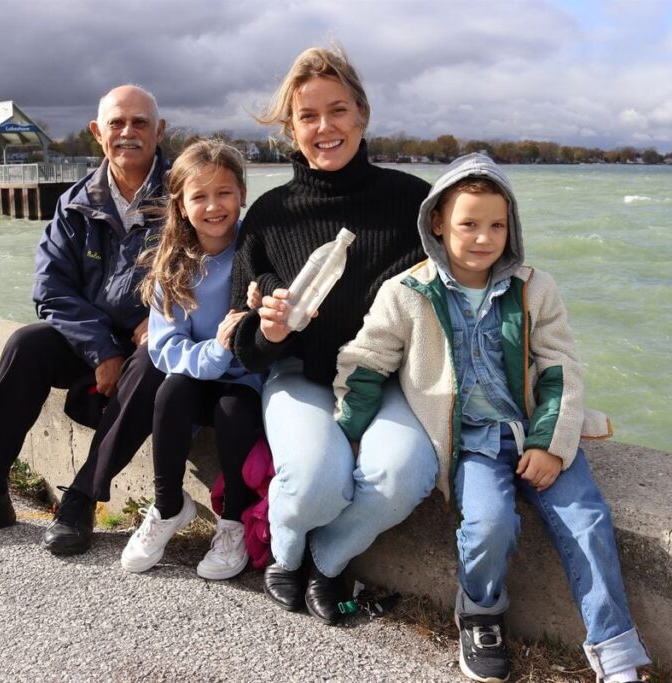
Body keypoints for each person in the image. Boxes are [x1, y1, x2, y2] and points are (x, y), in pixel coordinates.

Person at [333, 153, 651, 683]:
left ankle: (616, 652)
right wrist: (343, 434)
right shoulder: (407, 293)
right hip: (471, 444)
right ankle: (479, 615)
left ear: (512, 225)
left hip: (533, 430)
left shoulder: (534, 287)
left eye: (497, 225)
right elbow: (366, 364)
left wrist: (550, 443)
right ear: (437, 222)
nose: (484, 237)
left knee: (588, 521)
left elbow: (561, 367)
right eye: (469, 224)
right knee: (489, 526)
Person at [229, 45, 438, 626]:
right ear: (291, 129)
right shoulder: (270, 215)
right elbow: (241, 341)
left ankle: (327, 558)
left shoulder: (416, 203)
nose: (326, 127)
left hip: (388, 376)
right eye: (308, 116)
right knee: (319, 482)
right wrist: (268, 331)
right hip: (302, 374)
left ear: (362, 115)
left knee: (402, 474)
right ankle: (284, 551)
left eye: (338, 110)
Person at [0, 84, 172, 556]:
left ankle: (80, 499)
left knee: (152, 359)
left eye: (140, 122)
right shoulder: (75, 203)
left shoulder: (185, 194)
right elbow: (51, 289)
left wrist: (163, 314)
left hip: (156, 341)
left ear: (159, 130)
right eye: (117, 123)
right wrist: (102, 348)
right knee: (26, 344)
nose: (128, 132)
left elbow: (213, 261)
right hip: (95, 340)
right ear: (98, 133)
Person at [119, 139, 262, 580]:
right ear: (180, 204)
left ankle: (233, 521)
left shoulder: (256, 251)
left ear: (242, 195)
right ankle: (167, 506)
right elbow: (164, 347)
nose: (213, 206)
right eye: (199, 196)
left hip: (247, 381)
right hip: (201, 371)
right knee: (172, 391)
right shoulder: (175, 264)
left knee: (234, 408)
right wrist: (215, 352)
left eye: (224, 193)